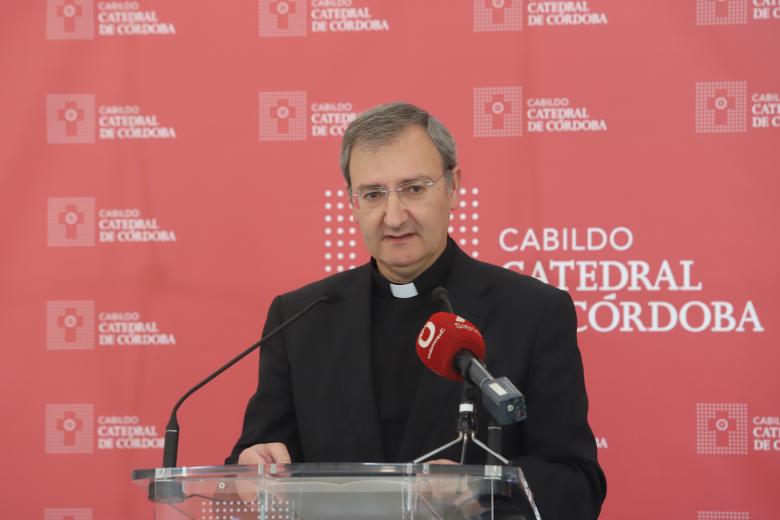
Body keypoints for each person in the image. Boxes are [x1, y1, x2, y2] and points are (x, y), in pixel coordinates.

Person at [227, 102, 606, 518]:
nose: (393, 216)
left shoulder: (533, 311)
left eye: (414, 188)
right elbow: (254, 460)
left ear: (453, 186)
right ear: (352, 202)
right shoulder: (300, 317)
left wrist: (482, 488)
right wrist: (252, 465)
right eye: (373, 194)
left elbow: (577, 483)